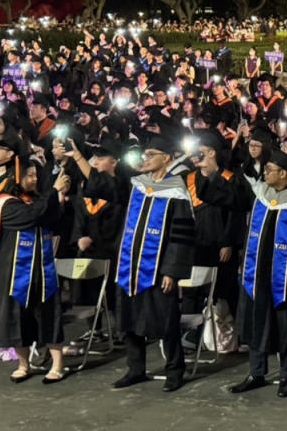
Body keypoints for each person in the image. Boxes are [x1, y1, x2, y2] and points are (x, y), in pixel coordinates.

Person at [196, 144, 287, 398]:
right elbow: (223, 196)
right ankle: (256, 373)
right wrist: (208, 174)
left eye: (269, 170)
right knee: (255, 323)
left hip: (285, 280)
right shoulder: (260, 194)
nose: (264, 174)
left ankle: (286, 377)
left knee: (284, 328)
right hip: (255, 275)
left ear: (284, 173)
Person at [79, 135, 195, 392]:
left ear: (166, 158)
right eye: (145, 154)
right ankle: (136, 369)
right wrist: (77, 157)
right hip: (129, 265)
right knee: (129, 319)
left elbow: (181, 235)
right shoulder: (136, 184)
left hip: (158, 269)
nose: (146, 158)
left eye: (151, 154)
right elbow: (103, 186)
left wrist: (172, 271)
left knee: (166, 321)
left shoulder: (177, 190)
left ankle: (175, 369)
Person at [0, 147, 66, 384]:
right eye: (29, 175)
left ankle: (57, 365)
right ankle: (23, 364)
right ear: (17, 177)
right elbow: (30, 216)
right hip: (14, 273)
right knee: (18, 318)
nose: (34, 179)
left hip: (43, 271)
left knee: (49, 315)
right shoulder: (5, 204)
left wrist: (56, 197)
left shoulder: (38, 200)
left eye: (36, 175)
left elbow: (53, 219)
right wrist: (53, 192)